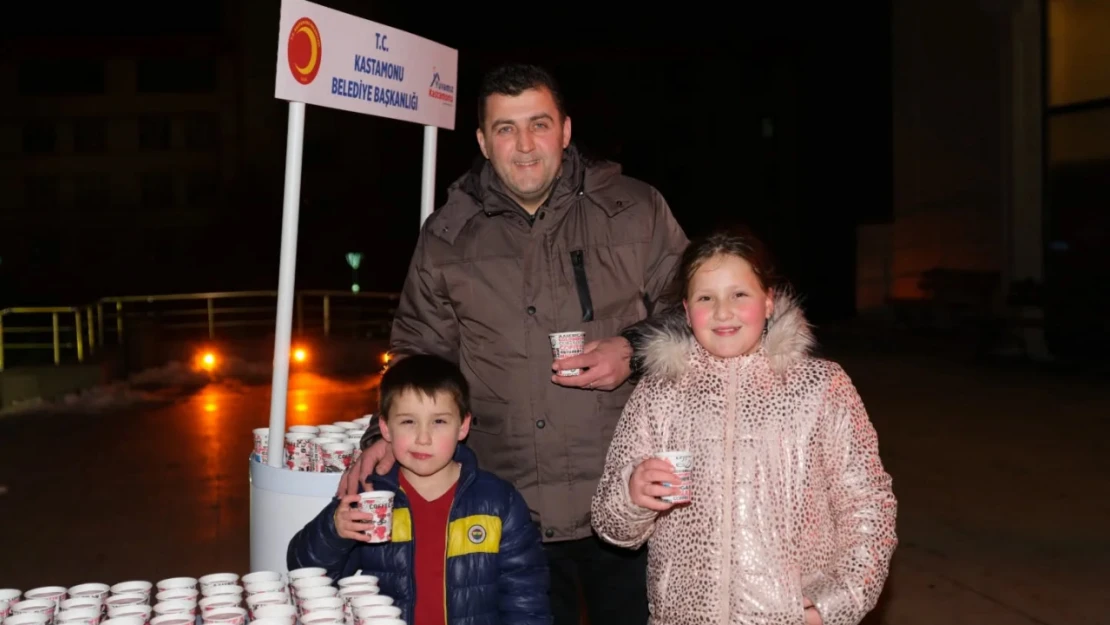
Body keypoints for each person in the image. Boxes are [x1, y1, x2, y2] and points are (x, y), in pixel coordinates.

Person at [339, 63, 689, 624]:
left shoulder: (636, 210)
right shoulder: (446, 237)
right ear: (482, 140)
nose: (524, 146)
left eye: (539, 124)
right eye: (505, 129)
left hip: (630, 502)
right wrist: (377, 435)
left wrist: (631, 349)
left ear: (566, 130)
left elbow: (695, 315)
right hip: (507, 515)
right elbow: (418, 352)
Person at [591, 229, 898, 625]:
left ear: (769, 300)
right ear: (686, 311)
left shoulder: (820, 387)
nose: (723, 312)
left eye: (739, 294)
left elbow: (869, 506)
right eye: (706, 298)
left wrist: (833, 604)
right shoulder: (658, 393)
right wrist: (633, 494)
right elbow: (611, 524)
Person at [288, 354, 551, 625]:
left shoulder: (499, 502)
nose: (423, 438)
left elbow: (526, 599)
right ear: (385, 429)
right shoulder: (367, 498)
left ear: (462, 426)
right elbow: (307, 576)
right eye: (408, 422)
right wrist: (334, 531)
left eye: (438, 422)